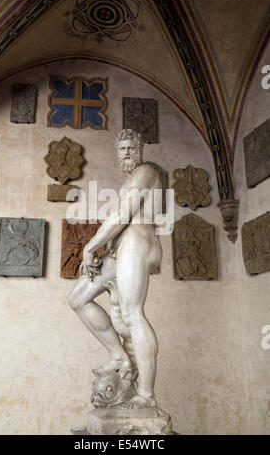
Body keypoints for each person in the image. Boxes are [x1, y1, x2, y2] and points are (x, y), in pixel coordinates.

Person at [68, 129, 162, 409]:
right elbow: (118, 216)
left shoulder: (145, 172)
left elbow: (122, 215)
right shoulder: (132, 178)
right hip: (120, 247)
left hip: (138, 241)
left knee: (132, 315)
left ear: (140, 149)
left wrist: (89, 247)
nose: (126, 154)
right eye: (121, 150)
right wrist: (105, 246)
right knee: (78, 299)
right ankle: (120, 356)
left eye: (131, 148)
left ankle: (146, 393)